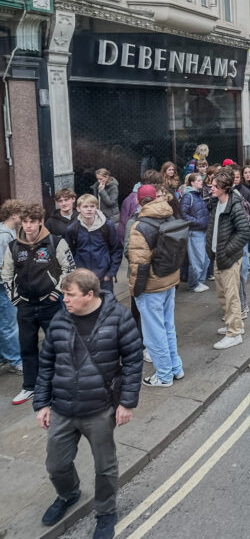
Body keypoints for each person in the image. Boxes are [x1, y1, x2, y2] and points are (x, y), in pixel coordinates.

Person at [33, 268, 142, 539]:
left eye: (70, 295)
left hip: (100, 408)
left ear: (90, 294)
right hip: (62, 408)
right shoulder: (59, 320)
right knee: (56, 465)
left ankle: (106, 512)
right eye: (64, 294)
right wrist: (42, 403)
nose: (64, 299)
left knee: (104, 467)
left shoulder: (118, 318)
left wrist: (126, 403)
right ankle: (69, 494)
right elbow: (46, 365)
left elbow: (132, 361)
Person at [2, 203, 75, 405]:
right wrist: (14, 298)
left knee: (56, 346)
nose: (28, 226)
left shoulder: (55, 242)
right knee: (27, 348)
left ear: (40, 222)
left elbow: (69, 268)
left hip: (49, 304)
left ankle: (60, 386)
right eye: (25, 222)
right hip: (24, 305)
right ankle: (30, 387)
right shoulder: (13, 246)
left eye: (32, 222)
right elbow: (6, 274)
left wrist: (56, 293)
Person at [129, 185, 184, 387]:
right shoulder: (170, 216)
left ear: (138, 200)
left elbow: (139, 264)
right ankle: (175, 368)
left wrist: (135, 290)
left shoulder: (140, 226)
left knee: (153, 334)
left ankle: (163, 375)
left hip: (151, 286)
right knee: (168, 326)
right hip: (169, 280)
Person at [206, 167, 250, 349]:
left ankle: (234, 334)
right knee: (223, 294)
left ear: (224, 188)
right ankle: (234, 324)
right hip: (218, 256)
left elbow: (244, 232)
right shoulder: (216, 203)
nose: (211, 188)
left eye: (215, 186)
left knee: (232, 296)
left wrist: (226, 251)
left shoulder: (235, 205)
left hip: (228, 258)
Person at [65, 195, 123, 294]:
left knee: (106, 306)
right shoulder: (72, 229)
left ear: (96, 208)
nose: (89, 209)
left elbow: (117, 249)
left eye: (92, 206)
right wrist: (74, 273)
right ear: (78, 208)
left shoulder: (107, 226)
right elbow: (68, 253)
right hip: (82, 278)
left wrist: (110, 273)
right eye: (85, 207)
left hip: (103, 278)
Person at [0, 199, 24, 375]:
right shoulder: (4, 236)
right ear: (14, 214)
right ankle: (15, 360)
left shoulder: (7, 233)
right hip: (4, 286)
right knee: (9, 323)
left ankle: (5, 356)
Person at [180, 172, 210, 293]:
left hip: (202, 231)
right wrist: (197, 222)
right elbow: (183, 213)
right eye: (197, 180)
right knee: (197, 260)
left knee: (205, 259)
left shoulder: (197, 195)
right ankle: (193, 284)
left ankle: (199, 281)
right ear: (192, 182)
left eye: (200, 180)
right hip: (195, 232)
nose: (200, 181)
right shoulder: (189, 196)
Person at [232, 166, 250, 319]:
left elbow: (247, 217)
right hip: (230, 243)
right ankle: (234, 310)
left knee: (240, 274)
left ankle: (241, 308)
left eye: (237, 177)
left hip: (238, 239)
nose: (235, 179)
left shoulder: (242, 194)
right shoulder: (225, 197)